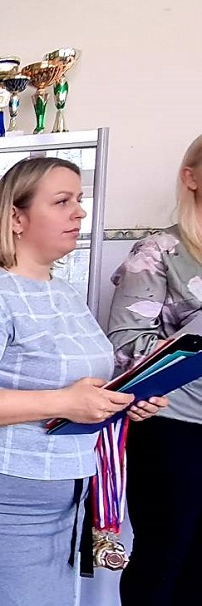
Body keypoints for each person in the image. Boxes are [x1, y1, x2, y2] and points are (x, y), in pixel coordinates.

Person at [0, 156, 161, 606]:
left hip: (64, 487)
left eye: (79, 200)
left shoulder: (63, 292)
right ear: (17, 219)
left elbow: (79, 386)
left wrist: (123, 399)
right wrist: (64, 402)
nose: (80, 212)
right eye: (62, 201)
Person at [107, 135, 202, 605]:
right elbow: (127, 349)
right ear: (191, 178)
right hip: (173, 429)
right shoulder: (158, 251)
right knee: (166, 563)